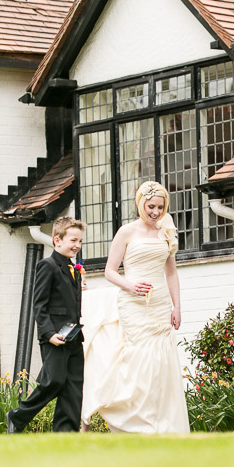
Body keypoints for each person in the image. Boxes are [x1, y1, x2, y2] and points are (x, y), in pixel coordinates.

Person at [83, 181, 189, 433]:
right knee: (139, 361)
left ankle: (162, 426)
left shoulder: (166, 232)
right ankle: (133, 421)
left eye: (161, 207)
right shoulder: (126, 232)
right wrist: (129, 285)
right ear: (141, 203)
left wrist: (177, 307)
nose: (156, 212)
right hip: (133, 303)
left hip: (160, 303)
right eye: (151, 206)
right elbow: (109, 271)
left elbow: (171, 273)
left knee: (161, 363)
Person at [6, 217, 86, 433]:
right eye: (73, 240)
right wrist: (48, 333)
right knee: (54, 381)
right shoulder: (47, 265)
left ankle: (65, 432)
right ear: (57, 240)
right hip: (54, 336)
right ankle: (17, 416)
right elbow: (39, 304)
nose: (77, 245)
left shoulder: (75, 269)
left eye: (80, 241)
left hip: (74, 336)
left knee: (73, 386)